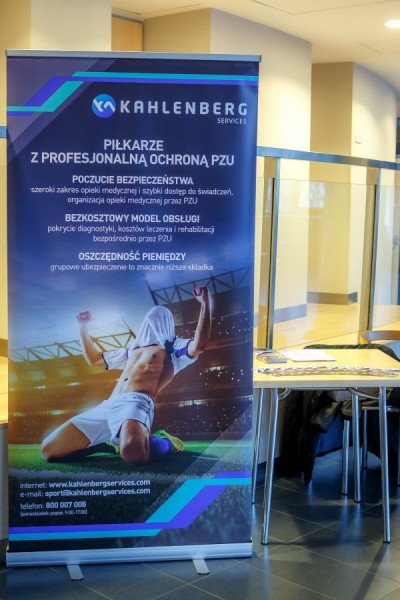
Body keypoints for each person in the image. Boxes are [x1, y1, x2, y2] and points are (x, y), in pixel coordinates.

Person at [41, 286, 211, 465]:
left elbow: (199, 346)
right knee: (49, 450)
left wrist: (205, 304)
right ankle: (105, 445)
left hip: (136, 403)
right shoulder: (130, 349)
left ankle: (168, 442)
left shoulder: (173, 347)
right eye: (150, 317)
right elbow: (94, 360)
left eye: (160, 316)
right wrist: (82, 328)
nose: (153, 319)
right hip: (109, 404)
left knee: (134, 452)